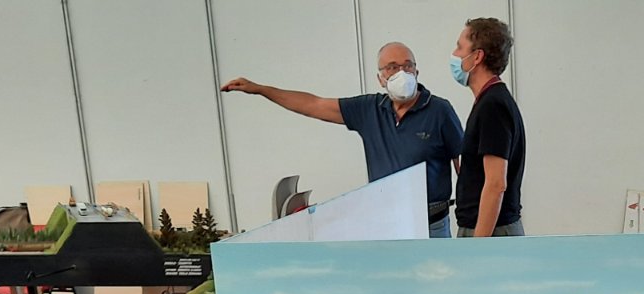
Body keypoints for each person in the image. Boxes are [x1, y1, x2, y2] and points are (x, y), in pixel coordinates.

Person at [222, 43, 463, 238]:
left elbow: (462, 162)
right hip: (385, 223)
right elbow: (313, 104)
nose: (401, 72)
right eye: (392, 67)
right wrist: (261, 89)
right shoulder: (369, 110)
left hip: (431, 225)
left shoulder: (439, 110)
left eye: (407, 65)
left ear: (417, 71)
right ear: (380, 78)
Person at [450, 18, 525, 237]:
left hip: (491, 232)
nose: (454, 54)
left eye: (460, 47)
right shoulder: (489, 101)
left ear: (477, 56)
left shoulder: (493, 106)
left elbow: (495, 184)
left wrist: (479, 245)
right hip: (487, 229)